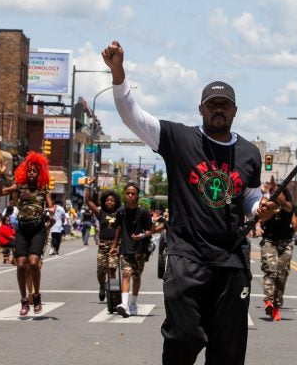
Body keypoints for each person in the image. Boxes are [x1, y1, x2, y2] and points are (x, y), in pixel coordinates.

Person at [102, 40, 272, 365]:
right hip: (187, 258)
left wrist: (260, 208)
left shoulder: (250, 152)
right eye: (212, 104)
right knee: (184, 337)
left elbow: (250, 198)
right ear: (201, 109)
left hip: (232, 261)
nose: (218, 109)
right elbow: (132, 116)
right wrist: (119, 73)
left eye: (224, 104)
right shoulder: (179, 139)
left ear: (235, 110)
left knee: (228, 353)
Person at [0, 153, 54, 316]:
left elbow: (51, 206)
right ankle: (24, 299)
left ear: (39, 173)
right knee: (21, 264)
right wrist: (1, 176)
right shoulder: (19, 186)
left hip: (38, 229)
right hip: (22, 228)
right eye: (29, 170)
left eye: (35, 171)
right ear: (24, 171)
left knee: (34, 263)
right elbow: (0, 192)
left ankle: (36, 296)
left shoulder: (43, 188)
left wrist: (51, 212)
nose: (31, 173)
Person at [110, 182, 152, 317]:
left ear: (137, 195)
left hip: (140, 250)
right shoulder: (121, 211)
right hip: (125, 248)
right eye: (128, 193)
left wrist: (142, 235)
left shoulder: (143, 211)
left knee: (136, 276)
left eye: (133, 193)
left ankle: (133, 304)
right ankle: (124, 304)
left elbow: (150, 230)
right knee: (126, 273)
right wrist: (114, 246)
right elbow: (119, 228)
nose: (130, 195)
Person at [259, 177, 294, 322]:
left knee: (281, 275)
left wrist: (274, 188)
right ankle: (268, 301)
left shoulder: (288, 206)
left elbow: (283, 202)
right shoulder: (268, 205)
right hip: (270, 241)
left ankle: (276, 308)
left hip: (285, 243)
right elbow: (261, 217)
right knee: (270, 270)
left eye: (277, 192)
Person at [86, 186, 121, 302]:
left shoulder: (120, 213)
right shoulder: (100, 213)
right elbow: (88, 202)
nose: (109, 202)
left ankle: (113, 293)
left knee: (112, 269)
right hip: (102, 245)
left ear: (116, 202)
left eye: (112, 200)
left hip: (115, 245)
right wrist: (88, 187)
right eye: (107, 200)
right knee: (101, 270)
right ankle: (102, 286)